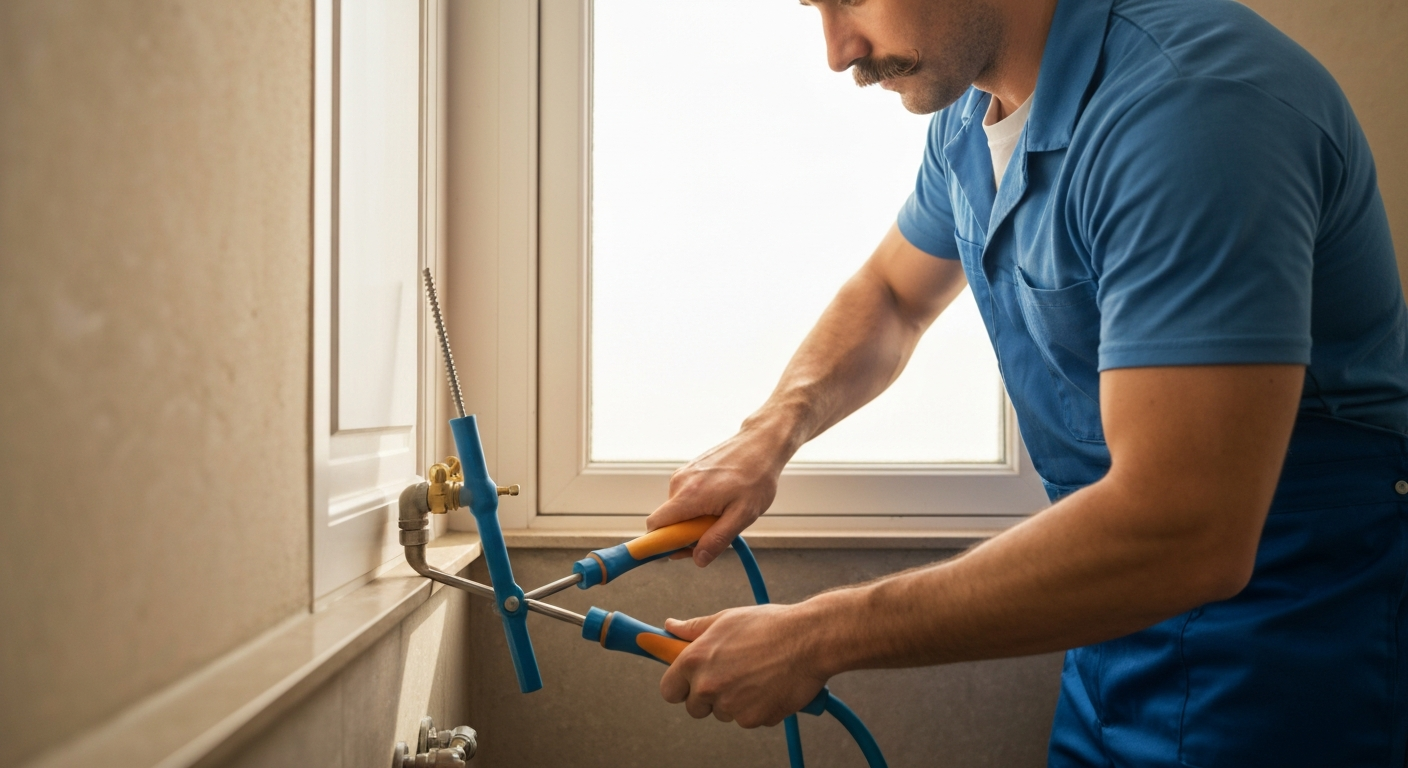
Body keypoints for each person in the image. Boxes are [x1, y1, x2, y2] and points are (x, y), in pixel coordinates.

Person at [644, 0, 1408, 764]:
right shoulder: (976, 110)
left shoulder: (1193, 112)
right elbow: (894, 292)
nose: (839, 52)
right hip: (1106, 621)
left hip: (1293, 649)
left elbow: (1185, 529)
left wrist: (817, 637)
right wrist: (768, 433)